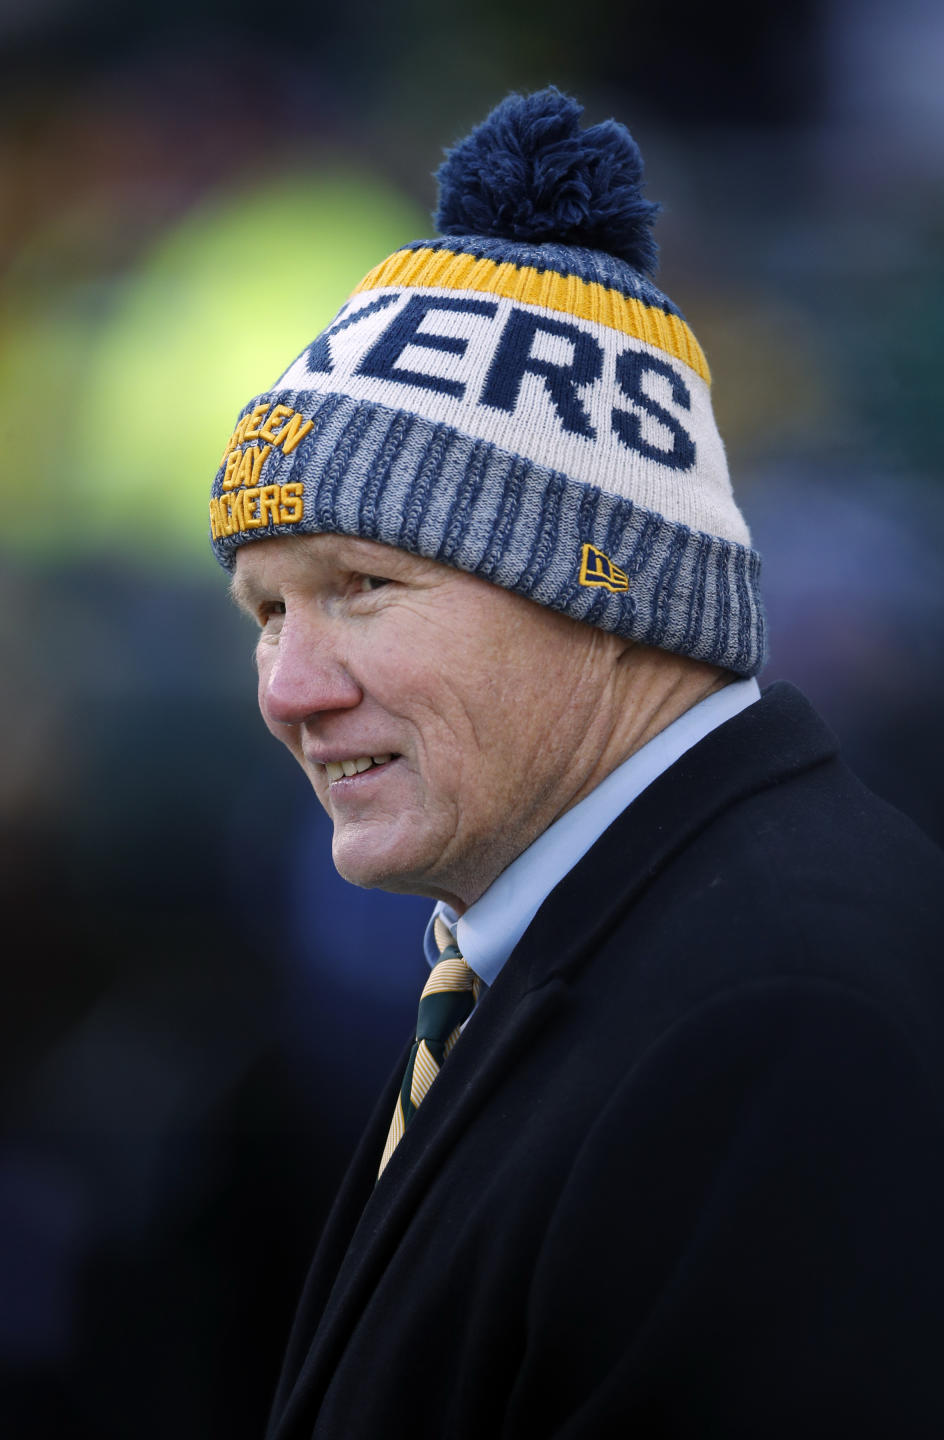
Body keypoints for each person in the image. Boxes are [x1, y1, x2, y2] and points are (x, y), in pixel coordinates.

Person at [209, 89, 944, 1438]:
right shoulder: (602, 953)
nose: (291, 690)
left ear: (612, 595)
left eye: (364, 584)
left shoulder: (772, 1024)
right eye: (266, 610)